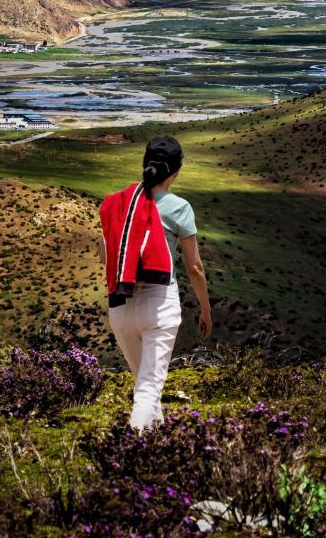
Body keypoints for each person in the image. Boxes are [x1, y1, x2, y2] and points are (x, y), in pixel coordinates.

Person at [103, 134, 212, 431]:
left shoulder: (118, 203)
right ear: (176, 172)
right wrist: (205, 308)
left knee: (145, 387)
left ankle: (155, 448)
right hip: (159, 304)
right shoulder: (180, 207)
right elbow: (194, 267)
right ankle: (130, 456)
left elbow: (106, 253)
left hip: (120, 305)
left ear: (144, 164)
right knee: (149, 390)